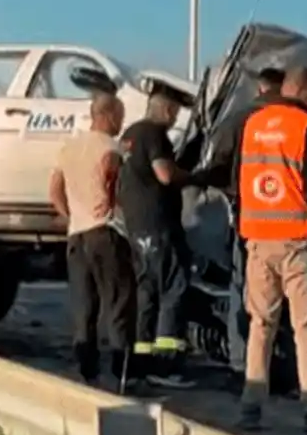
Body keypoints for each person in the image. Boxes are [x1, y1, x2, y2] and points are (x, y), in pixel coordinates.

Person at [234, 66, 307, 431]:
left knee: (261, 324)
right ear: (305, 90)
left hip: (258, 238)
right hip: (296, 239)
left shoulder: (252, 125)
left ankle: (251, 405)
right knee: (306, 326)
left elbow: (238, 181)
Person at [190, 67, 285, 392]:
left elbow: (217, 165)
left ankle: (243, 361)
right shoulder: (297, 122)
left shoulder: (239, 120)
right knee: (279, 292)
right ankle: (275, 361)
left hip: (248, 218)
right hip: (288, 220)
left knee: (243, 287)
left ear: (259, 89)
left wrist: (194, 181)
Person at [49, 92, 137, 390]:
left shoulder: (69, 148)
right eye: (121, 116)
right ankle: (121, 374)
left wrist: (68, 214)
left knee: (84, 306)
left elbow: (55, 190)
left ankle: (87, 371)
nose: (122, 122)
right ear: (109, 115)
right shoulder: (113, 147)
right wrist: (111, 203)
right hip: (107, 231)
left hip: (77, 234)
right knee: (118, 303)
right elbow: (112, 174)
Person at [117, 83, 197, 389]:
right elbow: (165, 174)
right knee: (173, 291)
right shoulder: (154, 135)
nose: (176, 118)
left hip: (136, 228)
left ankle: (140, 362)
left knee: (147, 294)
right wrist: (191, 176)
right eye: (175, 111)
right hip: (159, 228)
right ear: (165, 109)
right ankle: (166, 367)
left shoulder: (130, 135)